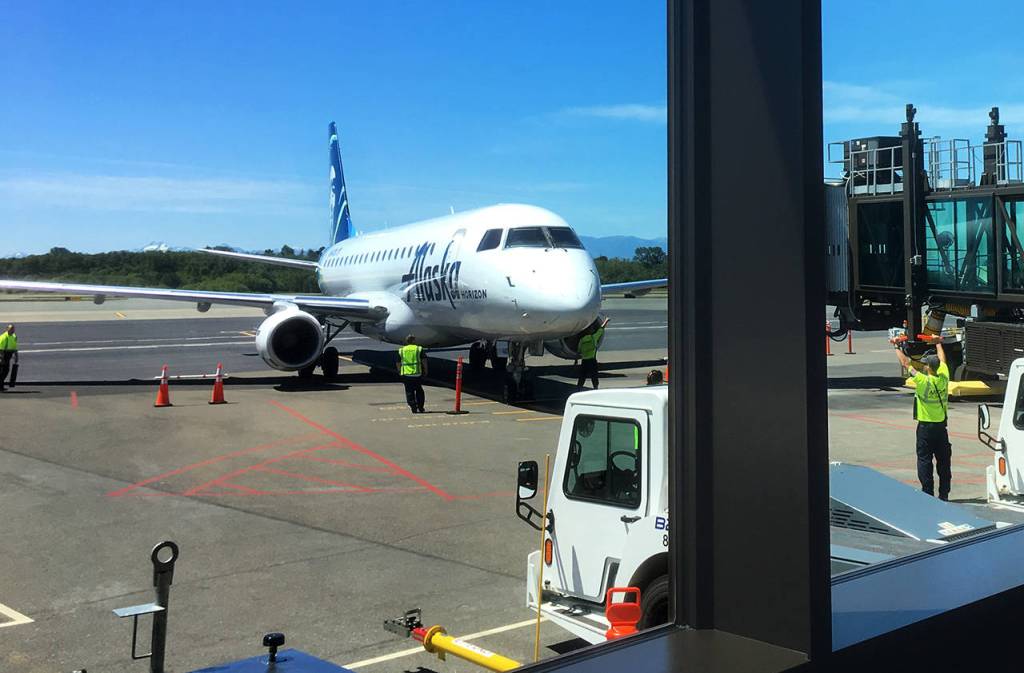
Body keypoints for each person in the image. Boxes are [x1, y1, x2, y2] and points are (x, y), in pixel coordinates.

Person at [895, 339, 951, 500]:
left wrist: (895, 346)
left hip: (926, 428)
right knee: (944, 462)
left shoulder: (922, 381)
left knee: (924, 460)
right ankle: (944, 494)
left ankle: (927, 493)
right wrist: (939, 343)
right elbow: (943, 360)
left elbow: (906, 363)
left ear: (927, 367)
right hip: (941, 428)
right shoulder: (944, 378)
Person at [576, 318, 609, 390]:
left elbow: (578, 351)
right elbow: (601, 328)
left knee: (582, 376)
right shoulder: (593, 337)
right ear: (591, 331)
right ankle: (595, 388)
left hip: (584, 361)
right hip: (592, 361)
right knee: (594, 376)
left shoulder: (582, 340)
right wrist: (606, 321)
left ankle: (579, 388)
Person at [397, 334, 427, 413]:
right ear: (413, 341)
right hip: (417, 373)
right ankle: (420, 407)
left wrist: (400, 371)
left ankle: (413, 406)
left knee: (409, 391)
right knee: (419, 391)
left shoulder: (402, 350)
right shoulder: (418, 349)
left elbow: (398, 362)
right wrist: (426, 370)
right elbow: (424, 361)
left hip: (406, 374)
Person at [0, 324, 17, 392]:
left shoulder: (14, 336)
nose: (12, 330)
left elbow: (15, 347)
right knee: (2, 372)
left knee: (6, 371)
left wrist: (16, 356)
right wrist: (1, 358)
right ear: (7, 329)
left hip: (8, 356)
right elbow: (0, 349)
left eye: (13, 329)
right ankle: (0, 387)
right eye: (10, 329)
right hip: (3, 355)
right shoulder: (3, 337)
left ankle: (1, 386)